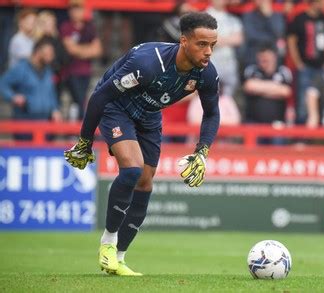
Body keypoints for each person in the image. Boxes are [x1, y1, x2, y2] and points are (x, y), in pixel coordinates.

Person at [64, 12, 220, 276]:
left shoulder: (206, 74)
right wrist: (85, 141)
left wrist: (202, 152)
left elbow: (212, 113)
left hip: (149, 115)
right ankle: (108, 243)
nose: (208, 52)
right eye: (202, 44)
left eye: (212, 45)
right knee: (133, 169)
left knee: (145, 181)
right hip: (117, 108)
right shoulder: (147, 63)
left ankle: (119, 259)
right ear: (183, 41)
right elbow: (101, 96)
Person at [286, 0, 324, 124]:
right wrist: (298, 63)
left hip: (322, 67)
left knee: (323, 100)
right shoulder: (300, 19)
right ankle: (301, 134)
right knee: (303, 102)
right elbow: (291, 41)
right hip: (305, 67)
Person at [0, 36, 62, 124]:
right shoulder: (21, 68)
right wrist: (13, 97)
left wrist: (55, 109)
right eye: (48, 53)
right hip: (25, 121)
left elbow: (51, 93)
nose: (51, 57)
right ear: (38, 51)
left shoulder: (48, 71)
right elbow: (2, 83)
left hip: (45, 122)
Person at [60, 0, 102, 120]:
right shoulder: (66, 26)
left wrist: (79, 50)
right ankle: (79, 128)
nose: (75, 12)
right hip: (71, 71)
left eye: (78, 9)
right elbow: (71, 49)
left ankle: (80, 128)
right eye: (73, 9)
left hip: (85, 71)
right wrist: (88, 49)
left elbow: (97, 50)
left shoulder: (89, 27)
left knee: (81, 100)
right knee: (78, 101)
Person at [243, 44, 292, 125]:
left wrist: (259, 90)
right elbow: (249, 86)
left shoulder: (283, 71)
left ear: (274, 57)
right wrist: (275, 89)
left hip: (277, 123)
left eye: (266, 59)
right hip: (254, 123)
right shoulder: (252, 70)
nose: (263, 61)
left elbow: (286, 91)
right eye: (261, 59)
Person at [242, 0, 286, 66]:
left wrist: (269, 16)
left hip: (274, 62)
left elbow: (279, 33)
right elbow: (251, 36)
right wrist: (273, 39)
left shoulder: (277, 16)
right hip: (254, 60)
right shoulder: (248, 16)